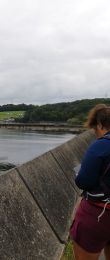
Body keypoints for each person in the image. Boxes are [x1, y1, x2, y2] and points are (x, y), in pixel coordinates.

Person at [71, 104, 110, 260]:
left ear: (100, 124)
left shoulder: (101, 145)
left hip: (98, 215)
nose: (96, 133)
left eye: (96, 129)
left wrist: (79, 173)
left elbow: (83, 181)